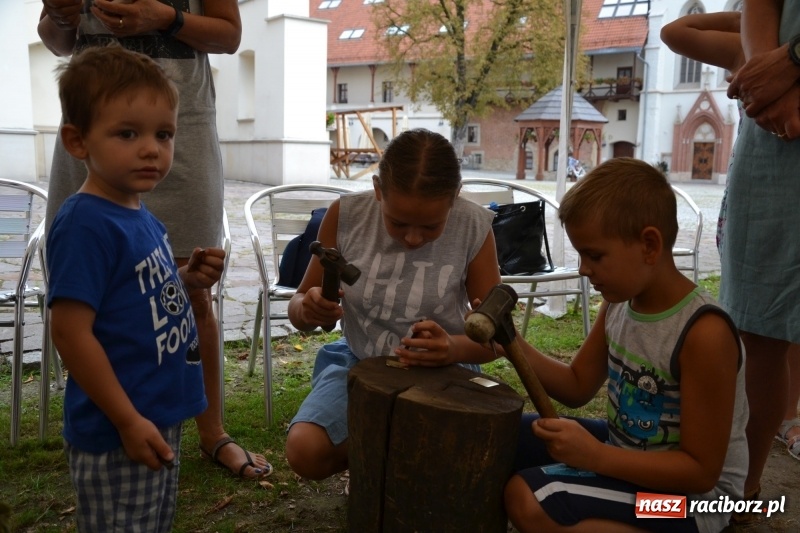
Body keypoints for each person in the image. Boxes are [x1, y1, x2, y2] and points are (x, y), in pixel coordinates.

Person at [37, 0, 271, 479]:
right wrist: (59, 15)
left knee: (191, 295)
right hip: (100, 124)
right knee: (87, 296)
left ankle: (210, 431)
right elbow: (58, 39)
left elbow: (229, 35)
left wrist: (167, 18)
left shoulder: (161, 142)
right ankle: (112, 423)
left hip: (179, 122)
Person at [504, 158, 748, 533]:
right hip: (630, 454)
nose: (583, 269)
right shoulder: (619, 302)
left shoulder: (704, 334)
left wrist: (596, 457)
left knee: (530, 498)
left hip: (693, 503)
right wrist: (510, 342)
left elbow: (700, 472)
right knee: (507, 434)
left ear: (649, 244)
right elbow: (576, 385)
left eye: (594, 255)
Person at [47, 44, 226, 532]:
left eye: (163, 134)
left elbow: (132, 293)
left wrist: (187, 280)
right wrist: (126, 419)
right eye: (128, 133)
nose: (152, 148)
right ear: (78, 141)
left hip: (155, 412)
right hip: (117, 426)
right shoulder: (85, 224)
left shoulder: (135, 211)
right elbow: (69, 333)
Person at [284, 128, 503, 481]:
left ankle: (392, 472)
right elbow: (298, 308)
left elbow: (498, 340)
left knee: (440, 446)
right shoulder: (347, 215)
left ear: (455, 198)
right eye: (398, 223)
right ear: (377, 191)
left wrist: (451, 348)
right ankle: (391, 464)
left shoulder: (472, 227)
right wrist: (306, 309)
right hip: (361, 362)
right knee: (305, 450)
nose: (413, 238)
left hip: (447, 373)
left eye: (431, 227)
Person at [662, 7, 800, 467]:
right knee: (767, 330)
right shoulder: (753, 44)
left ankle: (747, 477)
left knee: (766, 335)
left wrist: (753, 24)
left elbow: (678, 31)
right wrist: (758, 21)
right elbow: (672, 29)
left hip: (771, 178)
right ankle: (747, 477)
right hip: (770, 181)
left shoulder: (748, 46)